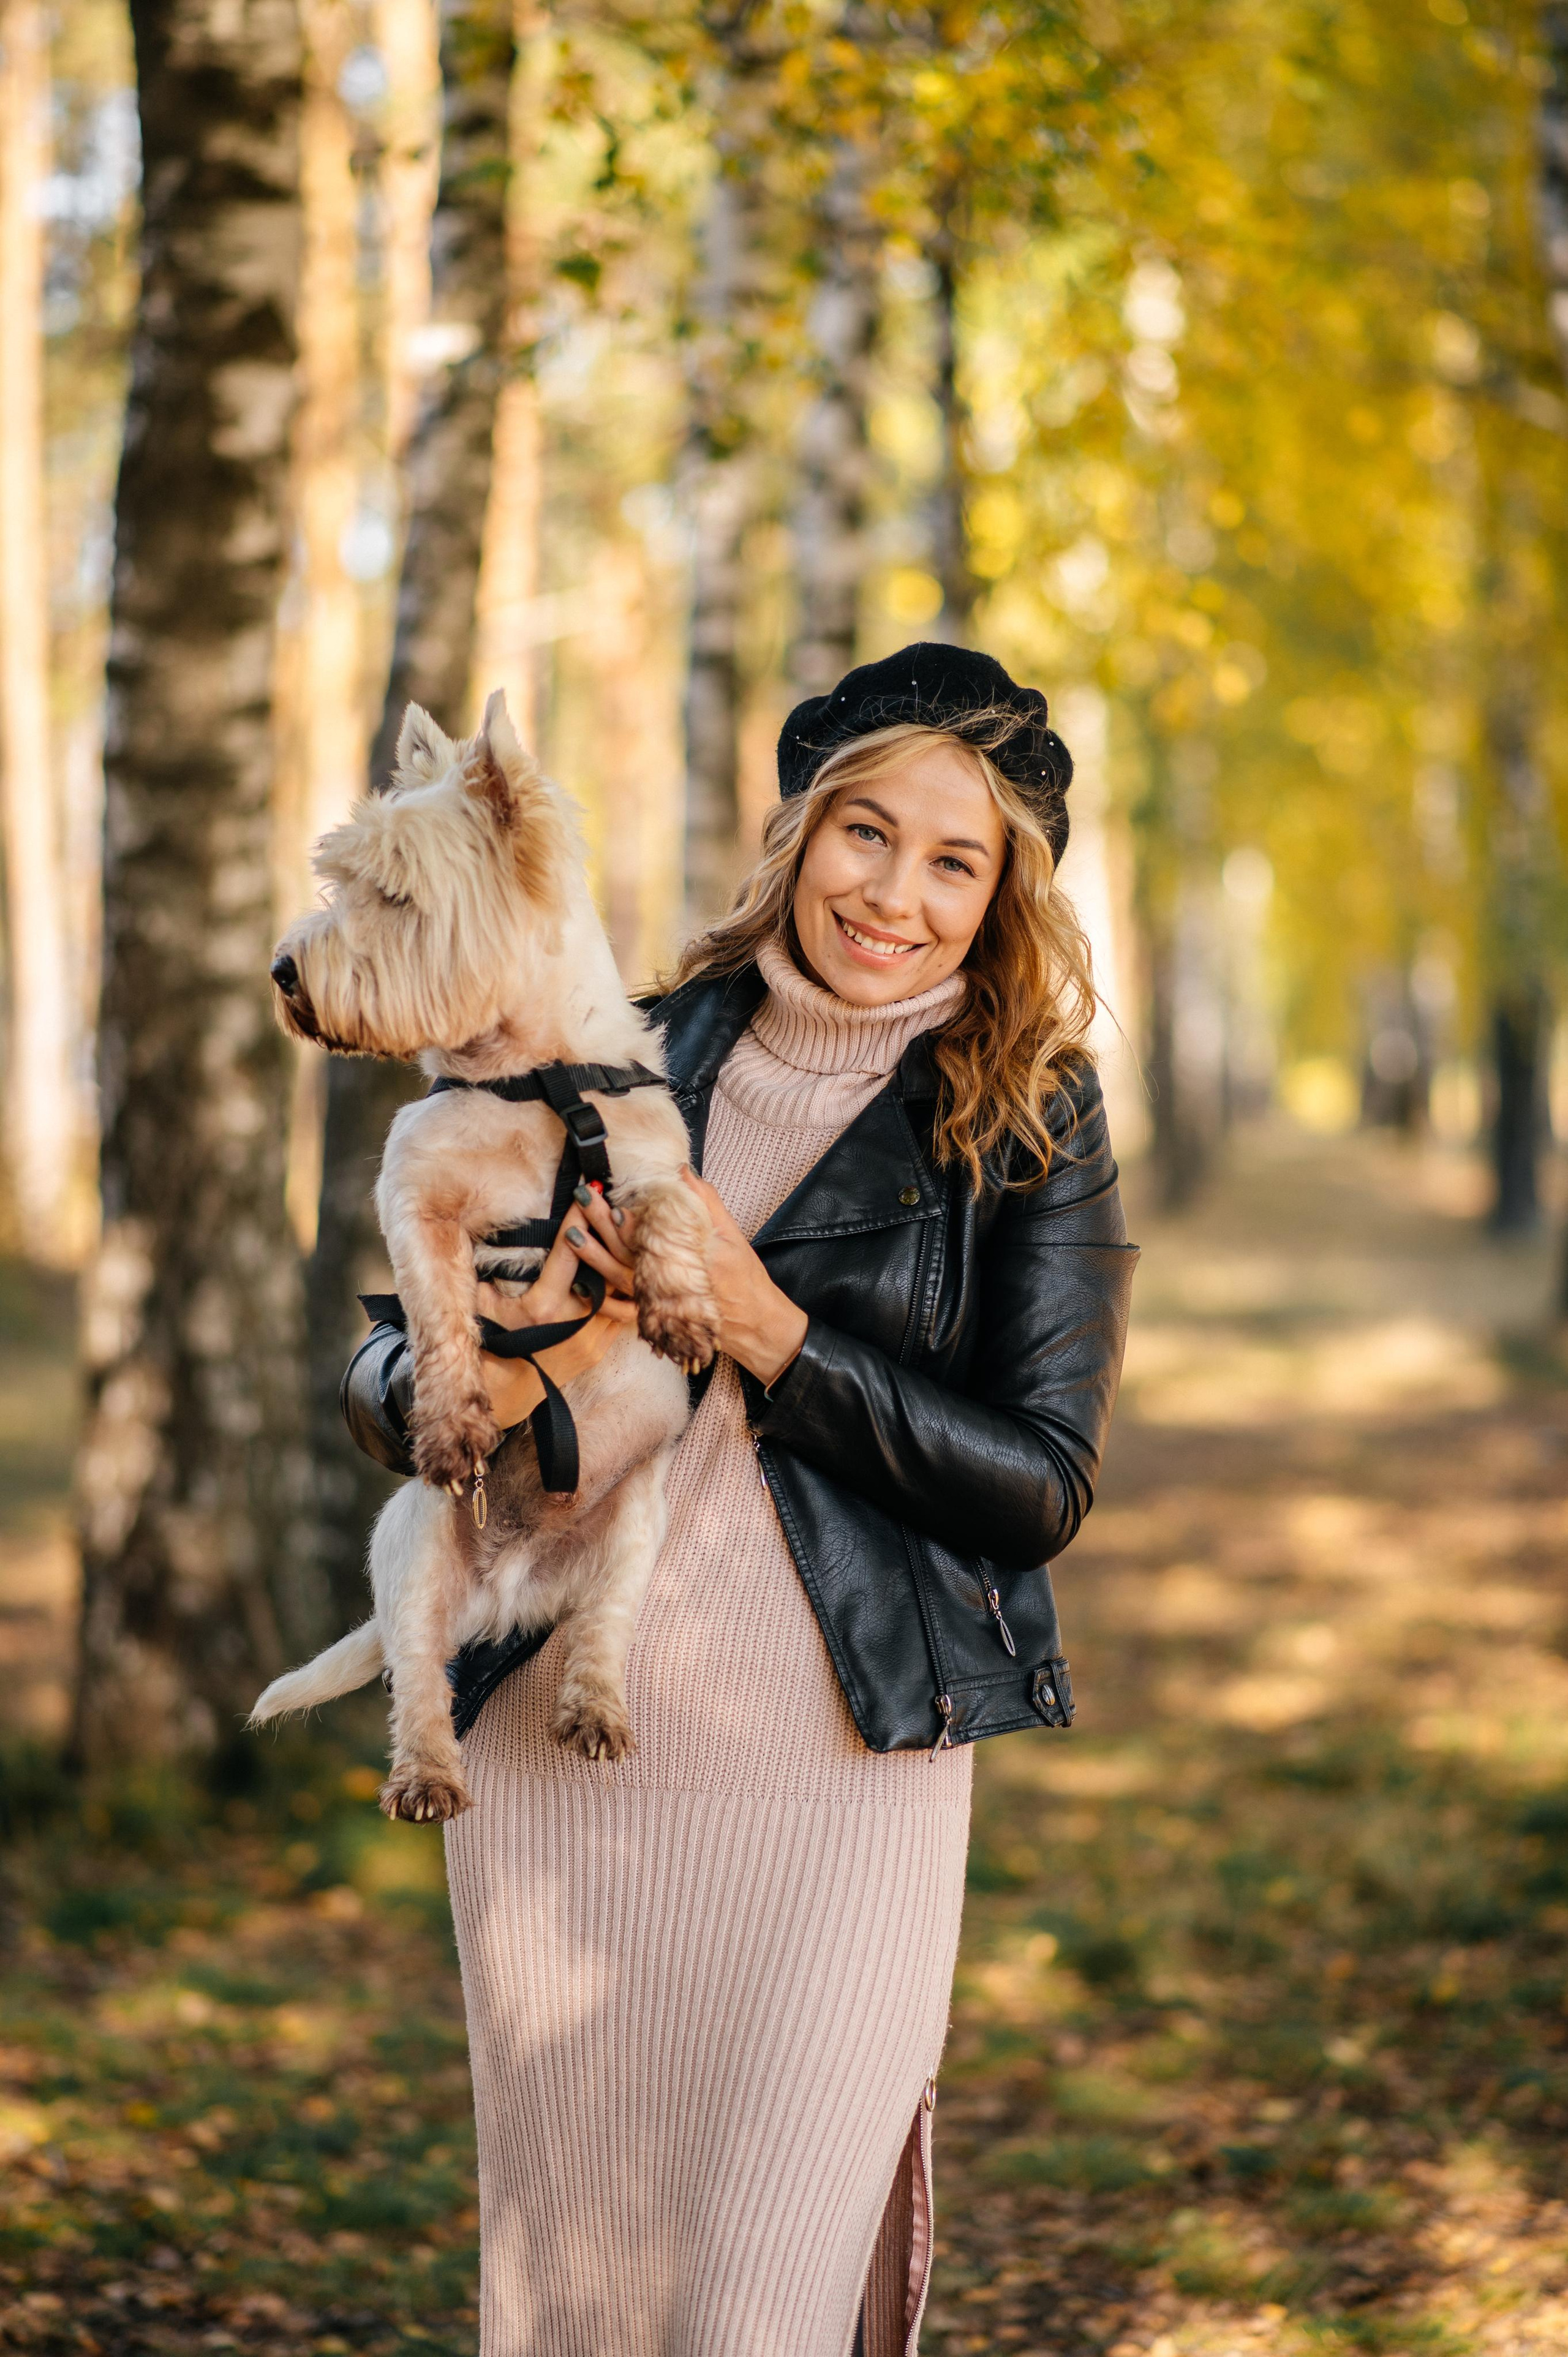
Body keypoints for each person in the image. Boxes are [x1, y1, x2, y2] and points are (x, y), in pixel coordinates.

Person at [342, 642, 1138, 2357]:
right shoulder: (623, 1045)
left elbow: (1041, 1486)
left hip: (843, 1772)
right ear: (800, 831)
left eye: (956, 861)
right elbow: (388, 1364)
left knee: (763, 2302)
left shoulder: (1030, 1120)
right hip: (572, 1752)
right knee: (577, 2303)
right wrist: (494, 1348)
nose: (898, 897)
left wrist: (778, 1338)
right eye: (868, 833)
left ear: (1004, 894)